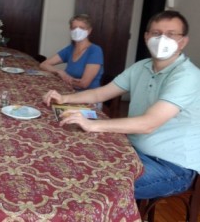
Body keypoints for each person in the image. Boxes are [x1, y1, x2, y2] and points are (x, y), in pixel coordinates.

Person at [43, 10, 200, 200]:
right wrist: (65, 98)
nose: (162, 39)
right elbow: (102, 92)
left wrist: (92, 124)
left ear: (183, 41)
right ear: (146, 37)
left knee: (90, 184)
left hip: (171, 166)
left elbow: (148, 124)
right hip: (131, 149)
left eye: (171, 34)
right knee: (72, 161)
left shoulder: (187, 76)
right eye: (156, 33)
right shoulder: (141, 66)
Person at [40, 14, 104, 90]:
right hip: (70, 91)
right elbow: (44, 64)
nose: (77, 31)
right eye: (74, 28)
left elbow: (84, 84)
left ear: (89, 31)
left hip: (89, 98)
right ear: (70, 30)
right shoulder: (70, 48)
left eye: (82, 28)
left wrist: (63, 78)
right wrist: (60, 72)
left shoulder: (95, 50)